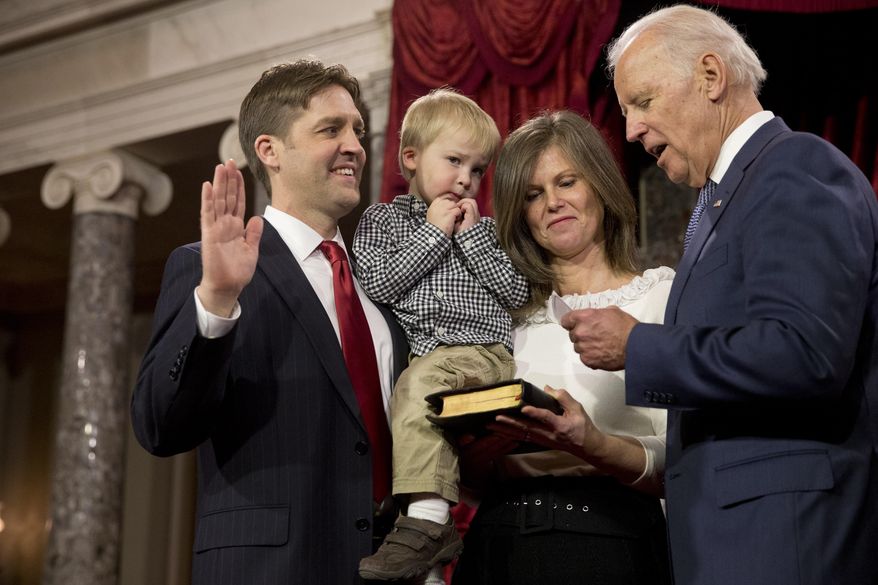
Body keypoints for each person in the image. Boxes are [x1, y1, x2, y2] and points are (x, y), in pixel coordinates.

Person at [557, 5, 878, 585]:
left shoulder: (794, 167)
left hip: (788, 541)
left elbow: (804, 352)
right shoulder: (724, 199)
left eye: (643, 102)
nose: (630, 130)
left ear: (710, 77)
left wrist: (641, 347)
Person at [130, 59, 409, 585]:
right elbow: (159, 427)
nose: (353, 144)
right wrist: (215, 301)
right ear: (270, 150)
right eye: (330, 129)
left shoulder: (384, 280)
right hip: (270, 569)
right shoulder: (208, 268)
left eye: (357, 130)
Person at [450, 110, 674, 585]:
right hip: (498, 544)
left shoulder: (661, 298)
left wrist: (594, 445)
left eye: (566, 182)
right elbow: (465, 480)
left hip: (614, 544)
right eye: (533, 194)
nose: (553, 202)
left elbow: (680, 461)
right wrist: (481, 450)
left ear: (599, 184)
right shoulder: (497, 311)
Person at [351, 88, 529, 582]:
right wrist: (432, 234)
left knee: (418, 387)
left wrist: (470, 239)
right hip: (431, 363)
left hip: (484, 355)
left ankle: (427, 522)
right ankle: (426, 564)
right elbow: (379, 282)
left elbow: (515, 293)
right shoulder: (382, 221)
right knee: (413, 410)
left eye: (476, 170)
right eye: (454, 161)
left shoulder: (486, 230)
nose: (465, 180)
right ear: (410, 157)